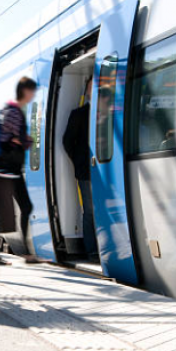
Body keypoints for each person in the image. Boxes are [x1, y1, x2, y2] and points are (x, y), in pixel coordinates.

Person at [0, 77, 36, 265]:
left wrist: (21, 140)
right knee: (21, 207)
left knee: (10, 209)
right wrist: (25, 140)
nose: (33, 94)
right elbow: (10, 138)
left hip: (9, 169)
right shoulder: (14, 112)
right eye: (32, 91)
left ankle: (21, 253)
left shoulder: (11, 110)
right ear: (25, 91)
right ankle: (23, 254)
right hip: (8, 170)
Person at [63, 76, 99, 261]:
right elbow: (67, 142)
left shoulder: (108, 113)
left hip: (106, 170)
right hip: (86, 171)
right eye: (92, 86)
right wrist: (79, 161)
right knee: (91, 211)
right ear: (87, 91)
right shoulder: (78, 114)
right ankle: (92, 251)